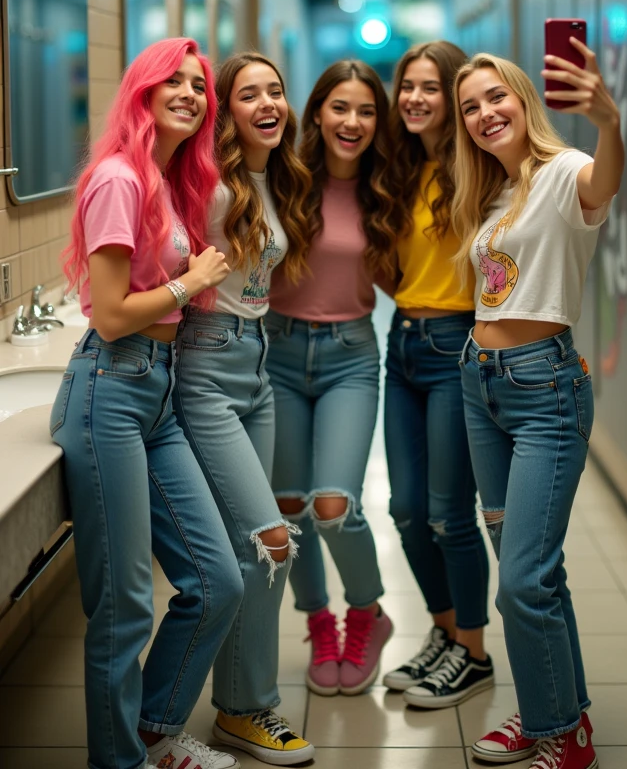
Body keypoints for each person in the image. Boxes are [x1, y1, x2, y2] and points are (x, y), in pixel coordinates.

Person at [52, 38, 241, 769]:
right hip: (109, 390)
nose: (193, 94)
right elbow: (108, 313)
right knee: (125, 606)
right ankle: (119, 760)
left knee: (217, 579)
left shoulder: (167, 180)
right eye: (176, 82)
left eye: (200, 86)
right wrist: (193, 283)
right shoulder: (119, 179)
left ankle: (154, 731)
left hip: (153, 394)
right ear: (143, 92)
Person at [452, 40, 622, 768]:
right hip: (480, 383)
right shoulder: (490, 192)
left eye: (496, 97)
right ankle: (558, 711)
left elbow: (603, 181)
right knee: (531, 571)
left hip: (543, 390)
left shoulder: (562, 173)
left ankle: (559, 731)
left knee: (521, 578)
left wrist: (609, 121)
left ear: (523, 99)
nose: (485, 114)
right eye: (472, 107)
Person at [173, 52, 315, 766]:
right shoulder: (208, 185)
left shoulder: (271, 177)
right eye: (248, 94)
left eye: (277, 91)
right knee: (269, 542)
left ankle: (237, 709)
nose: (269, 103)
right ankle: (250, 708)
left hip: (256, 364)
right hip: (206, 367)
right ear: (224, 111)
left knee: (248, 546)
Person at [267, 60, 399, 696]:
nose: (353, 122)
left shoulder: (386, 189)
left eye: (367, 110)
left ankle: (367, 613)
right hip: (279, 352)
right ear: (317, 112)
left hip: (350, 353)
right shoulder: (284, 179)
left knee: (333, 505)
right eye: (340, 108)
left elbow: (408, 274)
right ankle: (318, 621)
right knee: (289, 508)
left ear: (380, 122)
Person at [382, 41, 493, 709]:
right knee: (406, 511)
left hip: (457, 345)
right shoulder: (397, 167)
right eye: (408, 87)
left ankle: (474, 655)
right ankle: (447, 634)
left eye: (431, 87)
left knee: (451, 514)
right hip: (401, 345)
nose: (416, 99)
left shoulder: (478, 170)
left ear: (453, 95)